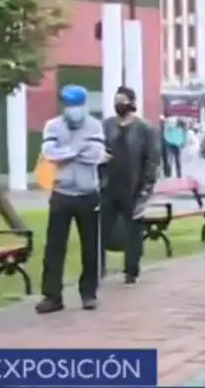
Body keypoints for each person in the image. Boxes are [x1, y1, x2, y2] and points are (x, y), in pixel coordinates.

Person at [36, 85, 106, 314]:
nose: (72, 109)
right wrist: (77, 149)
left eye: (75, 104)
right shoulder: (52, 126)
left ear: (83, 104)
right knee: (54, 246)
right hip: (61, 194)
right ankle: (52, 296)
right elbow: (49, 154)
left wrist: (65, 151)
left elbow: (96, 155)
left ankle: (89, 293)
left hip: (87, 194)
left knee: (90, 246)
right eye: (68, 103)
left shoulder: (95, 125)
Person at [100, 86, 158, 283]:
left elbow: (151, 161)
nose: (119, 104)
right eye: (116, 100)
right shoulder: (107, 125)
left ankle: (131, 270)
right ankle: (99, 268)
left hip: (133, 186)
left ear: (132, 102)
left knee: (133, 229)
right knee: (102, 228)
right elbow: (99, 149)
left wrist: (146, 190)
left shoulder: (145, 129)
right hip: (108, 185)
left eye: (122, 100)